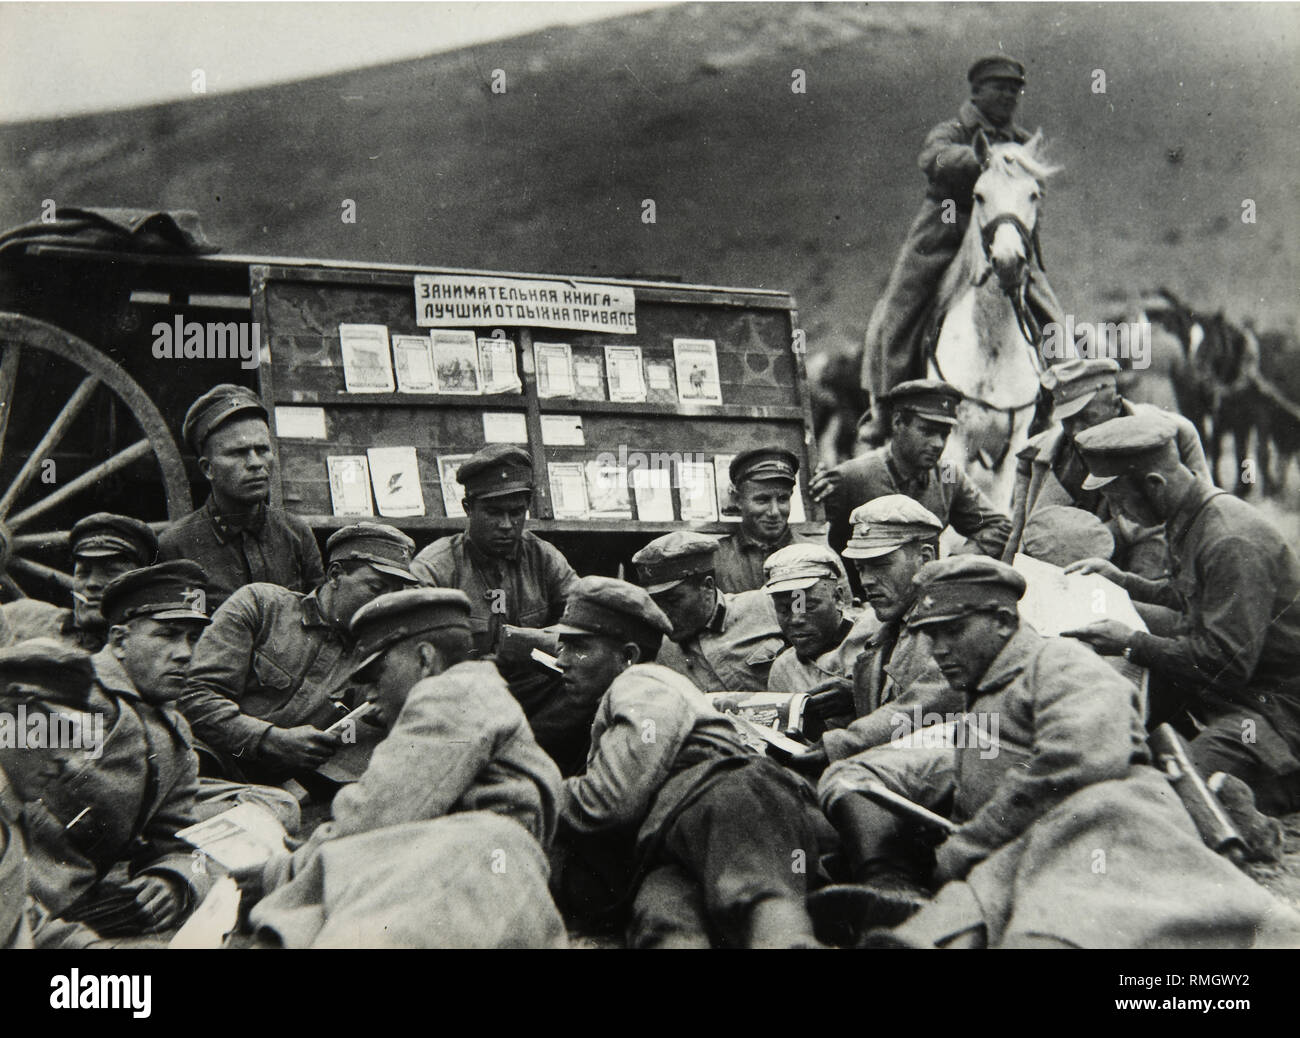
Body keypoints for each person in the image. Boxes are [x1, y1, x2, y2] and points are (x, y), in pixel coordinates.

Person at [815, 556, 1300, 948]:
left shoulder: (1062, 663)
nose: (939, 649)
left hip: (1108, 833)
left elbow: (1081, 761)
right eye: (931, 635)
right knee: (960, 912)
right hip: (1026, 849)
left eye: (953, 631)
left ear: (1003, 621)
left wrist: (968, 844)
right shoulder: (985, 686)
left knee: (1045, 922)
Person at [241, 588, 566, 948]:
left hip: (468, 878)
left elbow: (376, 816)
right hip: (489, 887)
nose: (369, 695)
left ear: (425, 659)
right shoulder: (478, 691)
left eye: (377, 675)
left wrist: (280, 872)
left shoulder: (450, 695)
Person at [552, 575, 833, 948]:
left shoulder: (643, 681)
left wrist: (529, 794)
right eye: (562, 646)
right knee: (663, 914)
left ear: (628, 656)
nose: (562, 660)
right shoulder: (617, 705)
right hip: (672, 838)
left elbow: (609, 801)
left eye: (578, 647)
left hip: (722, 794)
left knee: (759, 898)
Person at [1062, 413, 1300, 824]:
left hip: (1275, 713)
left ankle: (1261, 807)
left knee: (1171, 795)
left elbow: (1226, 663)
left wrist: (1131, 643)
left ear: (1154, 484)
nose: (1118, 512)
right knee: (1112, 734)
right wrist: (1125, 583)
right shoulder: (1191, 516)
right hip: (1233, 695)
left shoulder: (1229, 539)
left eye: (1119, 500)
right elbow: (1194, 598)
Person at [0, 565, 224, 938]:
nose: (185, 654)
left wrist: (177, 879)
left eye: (193, 638)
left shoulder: (176, 738)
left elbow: (189, 842)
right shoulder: (62, 692)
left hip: (75, 912)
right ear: (119, 640)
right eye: (167, 635)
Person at [859, 55, 1064, 437]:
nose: (1008, 96)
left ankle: (1061, 399)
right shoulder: (953, 131)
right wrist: (981, 158)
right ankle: (887, 404)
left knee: (1049, 308)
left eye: (1014, 90)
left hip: (1001, 233)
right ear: (977, 91)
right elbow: (933, 158)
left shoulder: (1021, 142)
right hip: (948, 225)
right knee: (902, 303)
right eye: (999, 88)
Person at [177, 522, 419, 785]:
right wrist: (269, 739)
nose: (386, 602)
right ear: (335, 575)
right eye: (376, 588)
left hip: (290, 786)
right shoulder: (261, 606)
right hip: (205, 767)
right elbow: (193, 695)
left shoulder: (376, 657)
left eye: (396, 592)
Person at [786, 496, 957, 777]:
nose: (865, 580)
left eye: (880, 564)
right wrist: (856, 694)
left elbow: (926, 705)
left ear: (925, 559)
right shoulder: (888, 626)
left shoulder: (955, 625)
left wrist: (841, 745)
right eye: (861, 568)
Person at [1002, 357, 1211, 577]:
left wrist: (1108, 535)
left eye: (1087, 417)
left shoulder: (1174, 432)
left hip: (1152, 565)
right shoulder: (1038, 453)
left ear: (1116, 404)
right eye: (1068, 420)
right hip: (1067, 568)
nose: (1076, 430)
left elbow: (1199, 510)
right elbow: (1019, 538)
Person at [816, 380, 1011, 589]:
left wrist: (952, 565)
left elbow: (999, 526)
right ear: (898, 422)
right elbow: (813, 541)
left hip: (925, 599)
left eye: (944, 434)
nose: (938, 444)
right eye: (927, 431)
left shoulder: (947, 475)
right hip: (866, 599)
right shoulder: (853, 476)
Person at [159, 384, 324, 612]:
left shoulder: (297, 535)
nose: (255, 463)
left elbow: (318, 619)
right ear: (208, 468)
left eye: (262, 450)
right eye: (238, 453)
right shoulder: (177, 547)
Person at [411, 444, 577, 656]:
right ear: (468, 508)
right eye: (494, 513)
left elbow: (585, 618)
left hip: (533, 676)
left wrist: (535, 642)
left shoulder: (543, 558)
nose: (506, 525)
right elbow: (416, 648)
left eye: (516, 512)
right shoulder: (434, 567)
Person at [631, 531, 786, 693]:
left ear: (708, 586)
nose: (663, 614)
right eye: (655, 603)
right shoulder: (665, 651)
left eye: (673, 600)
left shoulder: (765, 606)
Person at [2, 513, 157, 651]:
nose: (92, 583)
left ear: (140, 581)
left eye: (110, 573)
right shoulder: (25, 617)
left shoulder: (151, 645)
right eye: (83, 572)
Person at [762, 543, 875, 699]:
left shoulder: (876, 636)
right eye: (784, 610)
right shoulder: (784, 671)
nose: (796, 620)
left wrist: (859, 695)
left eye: (809, 607)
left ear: (838, 598)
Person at [713, 447, 823, 594]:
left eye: (783, 499)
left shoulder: (818, 555)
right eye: (762, 500)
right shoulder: (716, 560)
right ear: (738, 500)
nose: (774, 512)